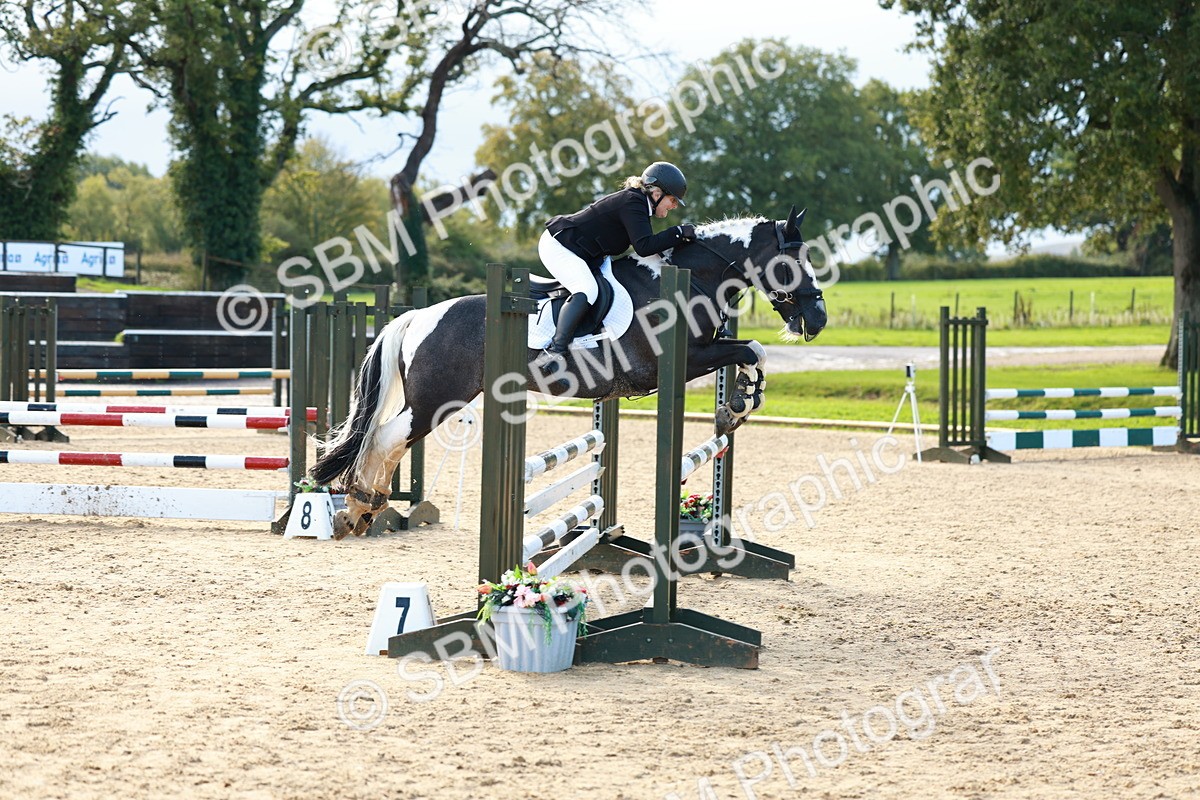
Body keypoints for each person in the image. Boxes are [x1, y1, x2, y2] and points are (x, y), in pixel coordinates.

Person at [537, 161, 695, 361]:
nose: (674, 206)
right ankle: (555, 350)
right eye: (672, 200)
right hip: (560, 245)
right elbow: (644, 246)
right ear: (657, 193)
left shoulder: (638, 203)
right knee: (587, 289)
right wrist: (678, 232)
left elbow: (648, 245)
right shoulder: (633, 202)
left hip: (585, 253)